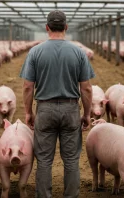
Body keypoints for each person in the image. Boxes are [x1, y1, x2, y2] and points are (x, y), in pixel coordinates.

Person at [19, 10, 95, 198]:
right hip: (70, 109)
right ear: (66, 27)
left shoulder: (35, 52)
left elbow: (28, 87)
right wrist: (86, 113)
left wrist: (28, 112)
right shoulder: (79, 52)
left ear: (47, 28)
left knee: (44, 160)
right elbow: (86, 88)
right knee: (71, 160)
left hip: (45, 109)